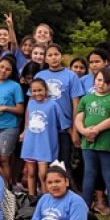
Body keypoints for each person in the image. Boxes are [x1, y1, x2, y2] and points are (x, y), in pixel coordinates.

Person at [74, 67, 110, 220]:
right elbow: (79, 118)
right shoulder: (86, 98)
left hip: (108, 144)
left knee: (109, 175)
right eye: (99, 80)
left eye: (105, 82)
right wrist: (83, 131)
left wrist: (94, 130)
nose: (101, 84)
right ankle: (85, 207)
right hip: (88, 144)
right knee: (89, 174)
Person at [35, 44, 85, 174]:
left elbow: (76, 105)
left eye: (56, 54)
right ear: (45, 59)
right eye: (50, 55)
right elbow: (32, 103)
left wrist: (75, 130)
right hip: (45, 127)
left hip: (65, 127)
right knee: (46, 163)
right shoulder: (40, 76)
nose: (53, 58)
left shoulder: (71, 76)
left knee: (63, 163)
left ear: (61, 56)